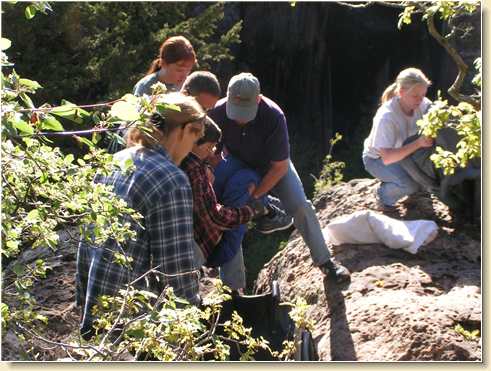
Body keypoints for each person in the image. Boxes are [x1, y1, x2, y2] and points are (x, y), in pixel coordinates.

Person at [76, 93, 206, 339]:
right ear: (184, 129)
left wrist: (84, 309)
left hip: (94, 316)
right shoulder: (171, 179)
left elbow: (86, 245)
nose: (191, 150)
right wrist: (193, 323)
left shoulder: (116, 161)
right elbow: (175, 269)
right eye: (194, 137)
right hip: (128, 326)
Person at [207, 72, 350, 283]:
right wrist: (210, 172)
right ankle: (232, 287)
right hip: (237, 163)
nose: (238, 118)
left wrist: (255, 195)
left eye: (245, 112)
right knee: (231, 209)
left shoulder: (273, 116)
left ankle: (326, 263)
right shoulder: (218, 111)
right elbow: (210, 151)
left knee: (300, 205)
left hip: (272, 165)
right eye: (235, 111)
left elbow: (280, 166)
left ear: (258, 99)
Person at [180, 118, 269, 291]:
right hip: (198, 248)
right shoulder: (194, 169)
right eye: (211, 147)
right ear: (195, 142)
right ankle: (234, 290)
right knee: (245, 183)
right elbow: (216, 217)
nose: (214, 152)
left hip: (188, 242)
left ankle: (270, 207)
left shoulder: (186, 161)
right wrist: (249, 212)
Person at [362, 67, 433, 211]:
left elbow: (435, 111)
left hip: (405, 155)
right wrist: (419, 143)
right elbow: (387, 157)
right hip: (377, 160)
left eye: (423, 95)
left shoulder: (422, 103)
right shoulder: (387, 117)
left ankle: (412, 190)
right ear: (401, 92)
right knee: (410, 185)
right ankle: (382, 195)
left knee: (425, 182)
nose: (420, 100)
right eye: (415, 96)